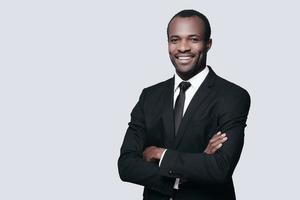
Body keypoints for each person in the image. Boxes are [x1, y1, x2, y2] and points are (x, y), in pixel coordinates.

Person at [118, 9, 251, 200]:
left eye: (193, 39)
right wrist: (187, 172)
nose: (183, 47)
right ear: (168, 44)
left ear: (208, 44)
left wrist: (159, 153)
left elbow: (219, 168)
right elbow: (126, 165)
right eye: (175, 40)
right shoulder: (149, 96)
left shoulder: (232, 96)